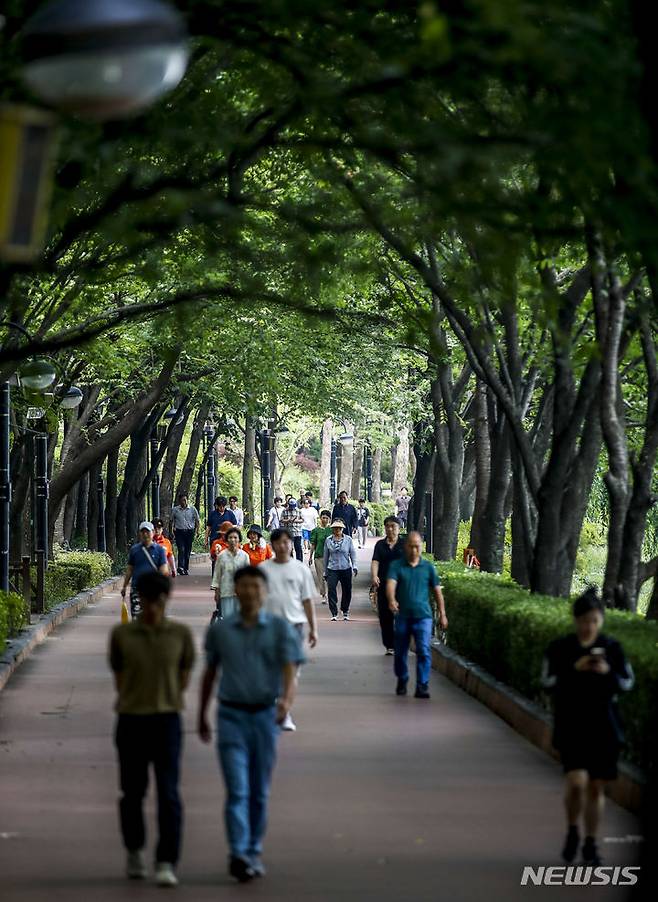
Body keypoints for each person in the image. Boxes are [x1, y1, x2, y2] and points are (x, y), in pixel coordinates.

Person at [198, 566, 305, 883]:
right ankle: (238, 852)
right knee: (237, 789)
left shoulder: (279, 629)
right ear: (236, 589)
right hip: (230, 715)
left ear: (264, 591)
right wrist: (202, 712)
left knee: (258, 791)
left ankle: (253, 850)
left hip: (264, 717)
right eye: (243, 586)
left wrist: (286, 702)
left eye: (255, 587)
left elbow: (290, 669)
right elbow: (209, 673)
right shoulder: (220, 629)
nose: (249, 593)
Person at [109, 571, 195, 887]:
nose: (154, 607)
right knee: (132, 792)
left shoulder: (180, 635)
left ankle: (166, 860)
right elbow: (119, 678)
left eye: (159, 601)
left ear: (165, 600)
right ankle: (134, 849)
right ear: (140, 600)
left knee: (169, 793)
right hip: (131, 720)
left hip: (167, 721)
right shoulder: (122, 636)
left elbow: (184, 677)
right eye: (147, 601)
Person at [541, 587, 635, 866]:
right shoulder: (561, 649)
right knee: (576, 781)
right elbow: (547, 682)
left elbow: (627, 682)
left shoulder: (612, 649)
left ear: (601, 621)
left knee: (596, 787)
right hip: (572, 725)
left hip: (604, 726)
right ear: (576, 620)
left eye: (594, 621)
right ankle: (572, 831)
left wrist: (607, 672)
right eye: (584, 620)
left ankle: (591, 843)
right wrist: (575, 668)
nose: (588, 627)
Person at [260, 528, 318, 731]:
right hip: (267, 627)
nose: (283, 546)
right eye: (279, 542)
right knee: (270, 670)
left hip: (294, 626)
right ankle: (271, 708)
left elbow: (307, 600)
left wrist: (313, 628)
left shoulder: (300, 569)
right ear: (273, 545)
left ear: (292, 544)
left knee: (290, 671)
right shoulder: (263, 570)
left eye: (287, 542)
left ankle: (284, 712)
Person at [386, 531, 448, 699]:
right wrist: (391, 600)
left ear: (421, 547)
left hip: (423, 616)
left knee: (423, 650)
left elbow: (437, 592)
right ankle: (403, 678)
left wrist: (442, 614)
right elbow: (391, 584)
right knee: (400, 651)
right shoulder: (397, 566)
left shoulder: (428, 567)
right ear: (406, 547)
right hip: (403, 616)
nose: (414, 550)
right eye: (411, 546)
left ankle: (422, 685)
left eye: (417, 547)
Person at [121, 522, 169, 619]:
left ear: (153, 532)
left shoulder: (159, 550)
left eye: (147, 532)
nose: (145, 534)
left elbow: (164, 570)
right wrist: (124, 586)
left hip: (154, 589)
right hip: (137, 588)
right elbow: (130, 570)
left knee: (154, 616)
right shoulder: (134, 550)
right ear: (140, 534)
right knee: (136, 616)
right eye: (143, 532)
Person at [371, 516, 405, 654]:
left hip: (401, 585)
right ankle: (389, 645)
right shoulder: (380, 545)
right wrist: (374, 575)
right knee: (385, 615)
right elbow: (375, 561)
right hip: (384, 584)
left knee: (401, 614)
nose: (390, 529)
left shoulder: (405, 545)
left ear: (399, 528)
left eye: (394, 526)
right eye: (388, 526)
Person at [211, 527, 249, 622]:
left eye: (235, 537)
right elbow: (217, 574)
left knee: (240, 619)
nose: (233, 540)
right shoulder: (222, 556)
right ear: (227, 540)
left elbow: (248, 576)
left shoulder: (244, 556)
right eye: (230, 537)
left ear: (239, 539)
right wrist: (216, 591)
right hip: (226, 591)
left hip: (240, 593)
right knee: (227, 619)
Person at [323, 519, 358, 622]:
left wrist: (355, 566)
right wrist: (325, 571)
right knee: (331, 589)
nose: (337, 530)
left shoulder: (348, 540)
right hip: (332, 568)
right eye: (335, 528)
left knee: (347, 590)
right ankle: (334, 612)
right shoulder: (328, 540)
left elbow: (353, 553)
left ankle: (345, 610)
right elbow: (325, 556)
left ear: (342, 529)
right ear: (332, 529)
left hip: (345, 568)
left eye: (339, 528)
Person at [170, 494, 200, 575]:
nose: (184, 502)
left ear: (187, 500)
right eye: (182, 500)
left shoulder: (192, 509)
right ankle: (180, 567)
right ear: (179, 501)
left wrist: (197, 531)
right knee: (181, 549)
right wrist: (172, 530)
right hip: (179, 532)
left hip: (190, 532)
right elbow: (171, 520)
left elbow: (197, 520)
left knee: (187, 551)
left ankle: (185, 568)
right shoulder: (175, 510)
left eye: (185, 500)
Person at [309, 510, 332, 602]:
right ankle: (323, 595)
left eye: (327, 518)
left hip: (331, 557)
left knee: (330, 577)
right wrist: (310, 556)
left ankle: (331, 594)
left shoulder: (332, 530)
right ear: (320, 518)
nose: (325, 520)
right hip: (319, 556)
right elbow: (313, 544)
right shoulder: (315, 531)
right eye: (323, 518)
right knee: (321, 576)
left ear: (329, 519)